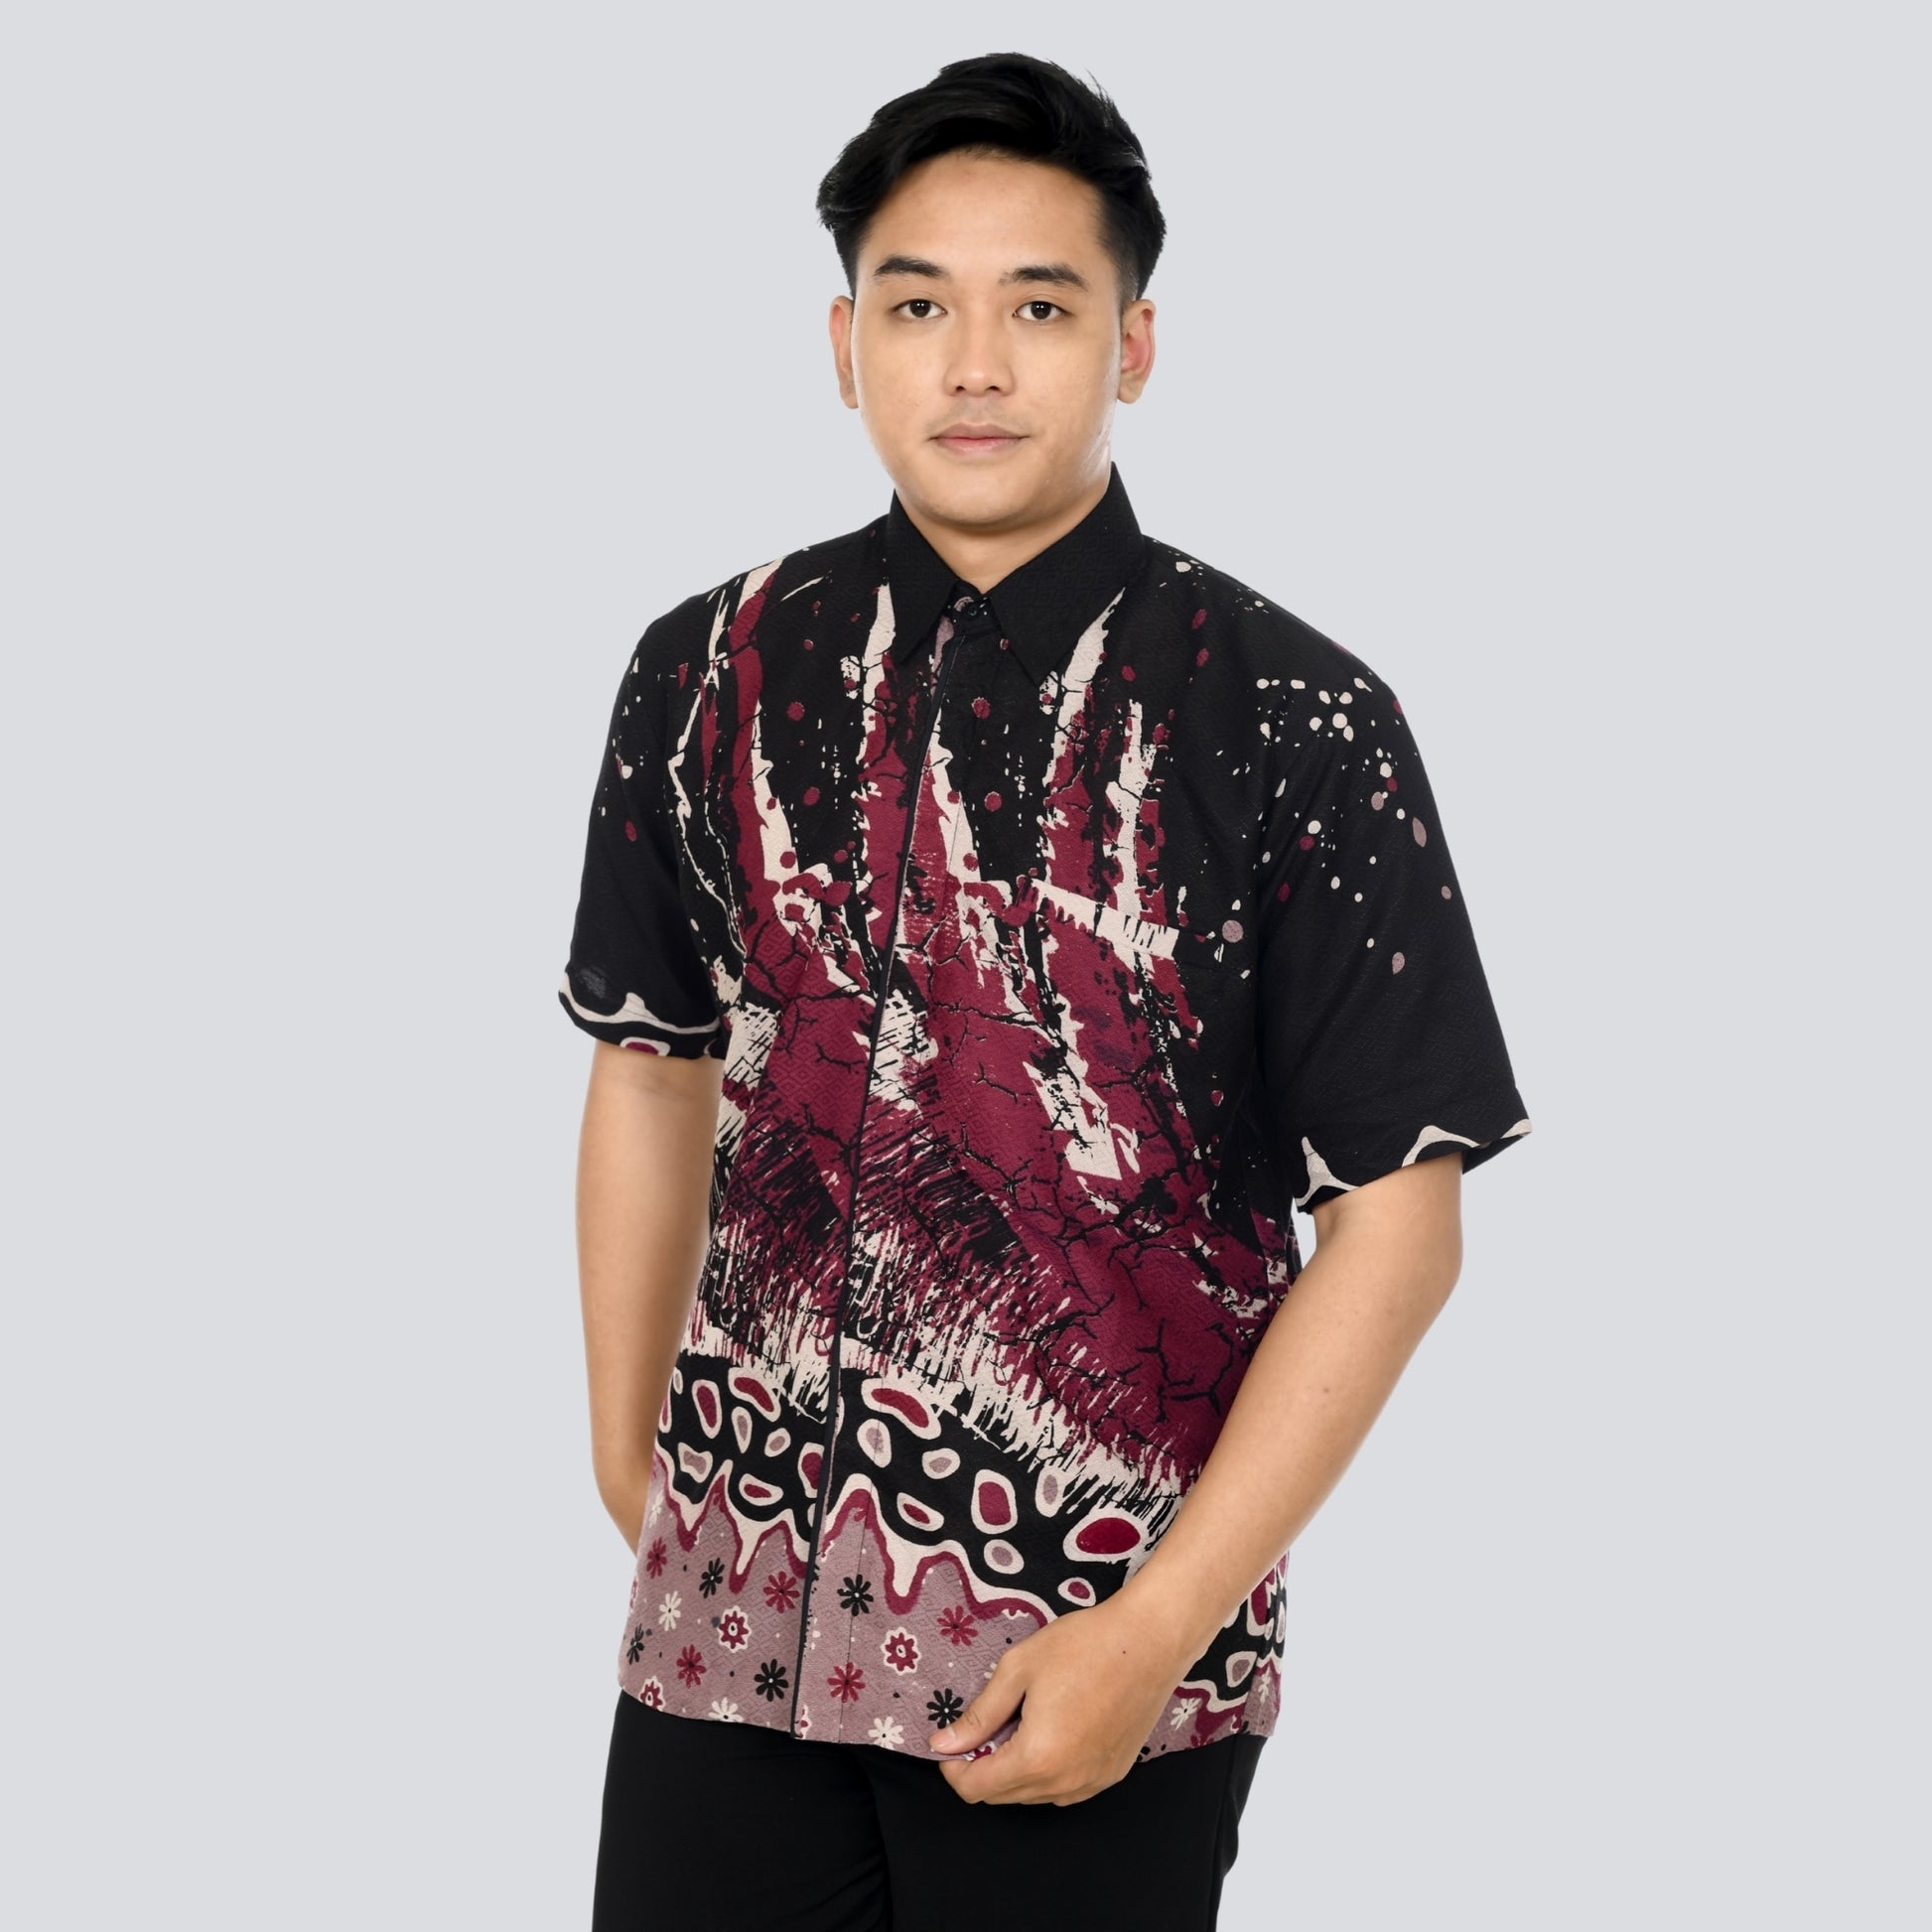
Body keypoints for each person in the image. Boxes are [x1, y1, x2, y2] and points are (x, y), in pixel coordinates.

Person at [558, 50, 1532, 1932]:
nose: (974, 365)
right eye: (918, 305)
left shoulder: (1293, 715)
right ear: (844, 342)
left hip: (1089, 1657)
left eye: (1040, 306)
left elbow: (1399, 1219)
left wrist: (1155, 1630)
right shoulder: (706, 668)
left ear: (1133, 345)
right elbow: (651, 1064)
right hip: (719, 1635)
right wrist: (629, 1458)